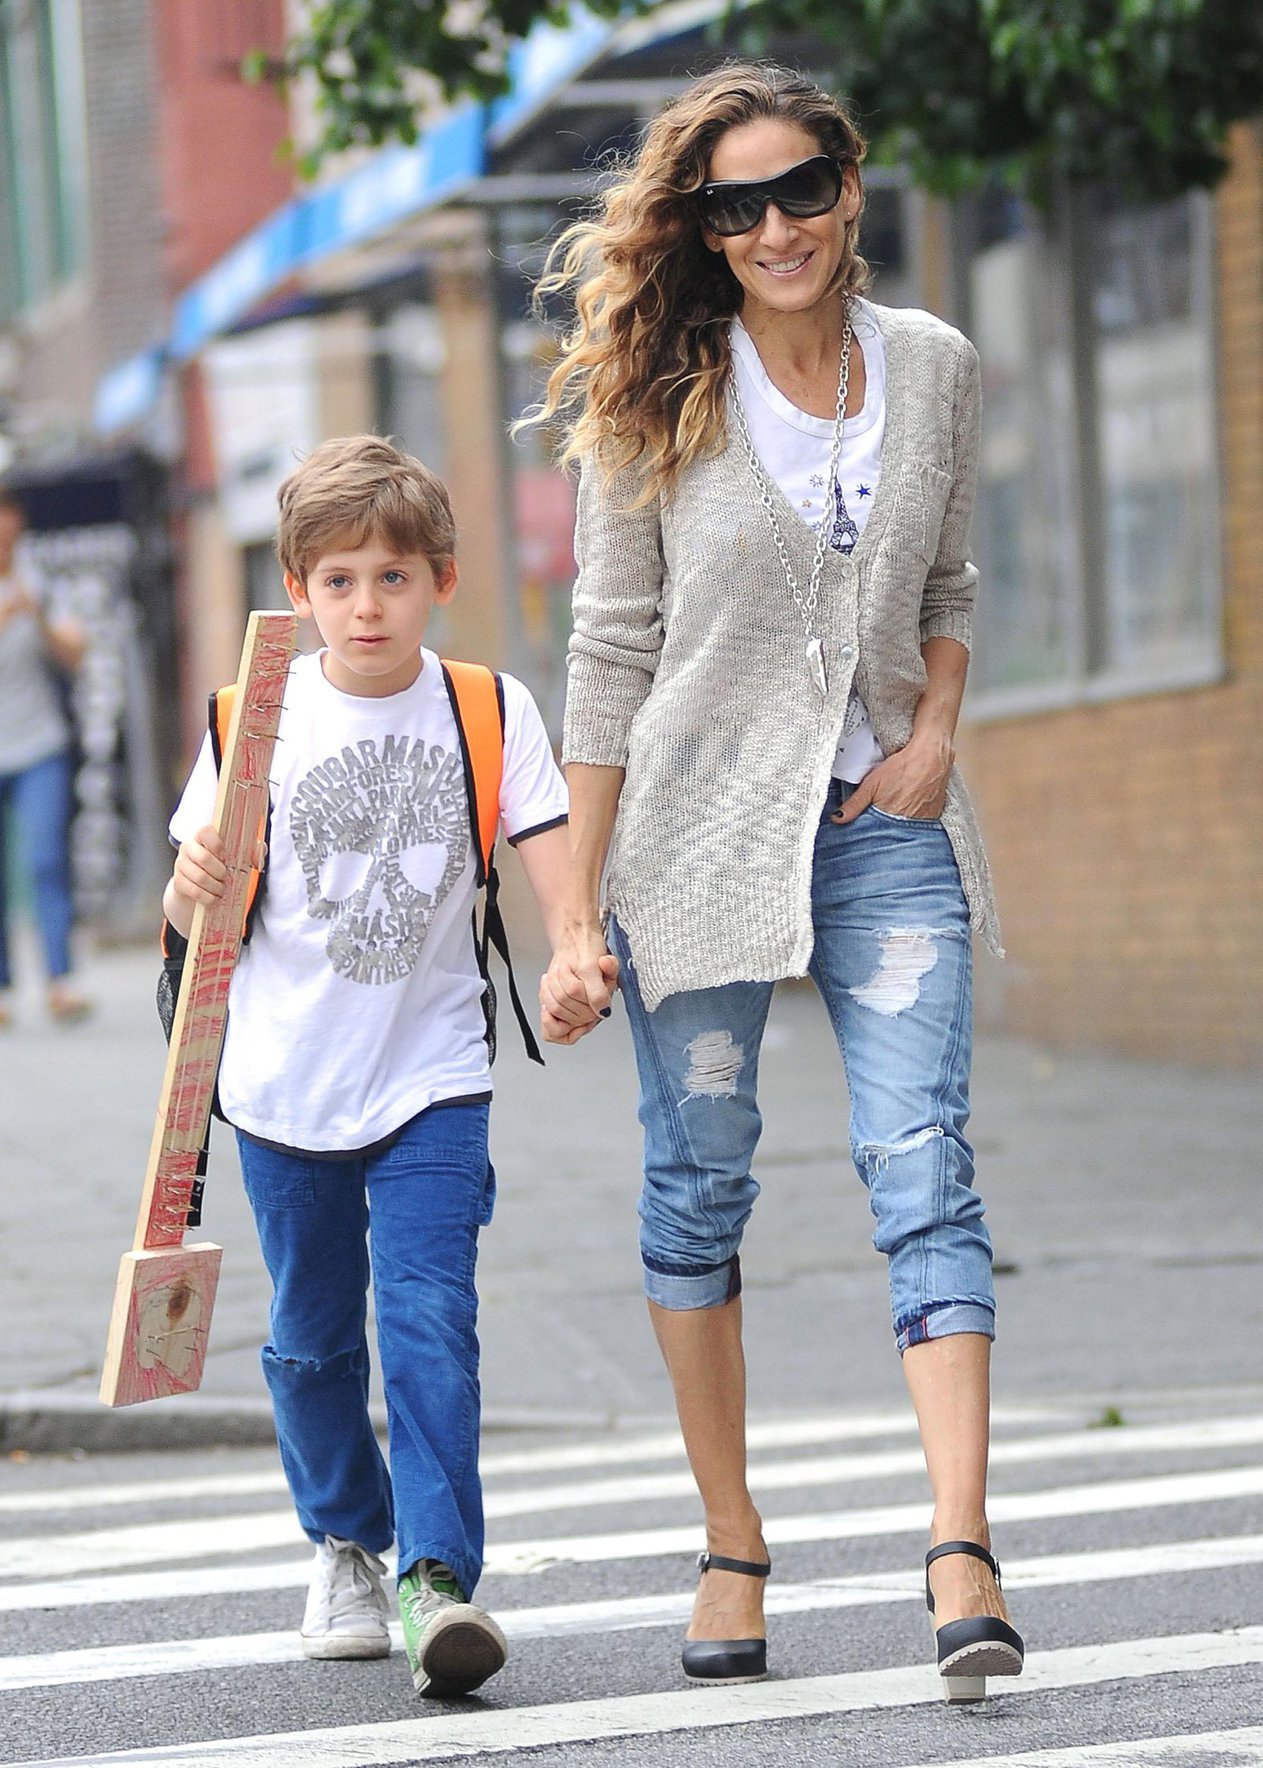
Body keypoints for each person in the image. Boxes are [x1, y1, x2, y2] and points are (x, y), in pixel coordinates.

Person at [533, 63, 1025, 1703]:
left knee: (922, 1165)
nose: (770, 228)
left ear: (847, 185)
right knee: (697, 1183)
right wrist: (574, 911)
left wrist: (935, 727)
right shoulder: (656, 395)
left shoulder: (934, 368)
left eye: (794, 189)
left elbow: (947, 580)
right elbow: (606, 660)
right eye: (731, 205)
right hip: (691, 840)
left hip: (884, 819)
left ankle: (959, 1541)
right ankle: (730, 1537)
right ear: (702, 225)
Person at [165, 435, 576, 1699]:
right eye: (338, 580)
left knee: (430, 1327)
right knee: (308, 1341)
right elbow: (192, 904)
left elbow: (548, 849)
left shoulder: (487, 706)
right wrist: (187, 892)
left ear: (440, 580)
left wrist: (573, 950)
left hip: (432, 1076)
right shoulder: (254, 716)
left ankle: (438, 1578)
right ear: (298, 588)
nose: (366, 606)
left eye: (393, 578)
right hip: (284, 1087)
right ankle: (347, 1537)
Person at [0, 487, 90, 1027]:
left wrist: (35, 616)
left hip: (40, 746)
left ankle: (61, 981)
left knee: (45, 859)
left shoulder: (43, 586)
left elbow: (76, 655)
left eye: (12, 536)